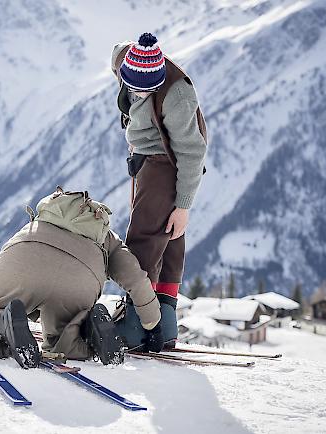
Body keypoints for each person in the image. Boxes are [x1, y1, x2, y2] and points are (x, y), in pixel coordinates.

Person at [0, 188, 164, 368]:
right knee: (65, 336)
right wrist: (152, 325)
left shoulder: (42, 219)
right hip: (79, 280)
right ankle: (86, 332)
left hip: (21, 261)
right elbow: (136, 279)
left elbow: (6, 253)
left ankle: (1, 327)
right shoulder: (106, 237)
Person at [110, 33, 208, 348]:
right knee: (166, 242)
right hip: (145, 161)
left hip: (167, 164)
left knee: (144, 242)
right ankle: (164, 326)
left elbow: (193, 153)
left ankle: (137, 325)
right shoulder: (127, 61)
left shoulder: (176, 95)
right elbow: (116, 52)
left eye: (144, 89)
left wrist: (183, 206)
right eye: (131, 86)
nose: (137, 93)